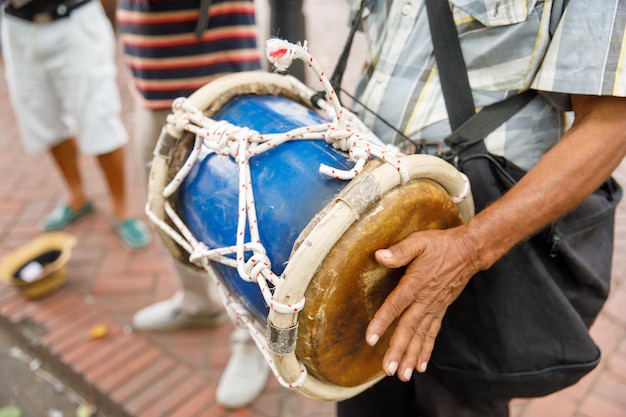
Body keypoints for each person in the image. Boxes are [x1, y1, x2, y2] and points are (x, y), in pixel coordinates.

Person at [334, 1, 626, 416]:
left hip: (479, 222)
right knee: (361, 393)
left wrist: (468, 248)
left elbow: (610, 122)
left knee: (460, 397)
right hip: (366, 199)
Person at [115, 0, 269, 409]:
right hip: (151, 81)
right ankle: (197, 302)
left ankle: (253, 338)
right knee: (159, 210)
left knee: (244, 226)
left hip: (220, 80)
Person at [1, 0, 151, 251]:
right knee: (41, 116)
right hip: (16, 25)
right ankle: (77, 196)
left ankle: (121, 210)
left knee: (99, 115)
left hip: (74, 20)